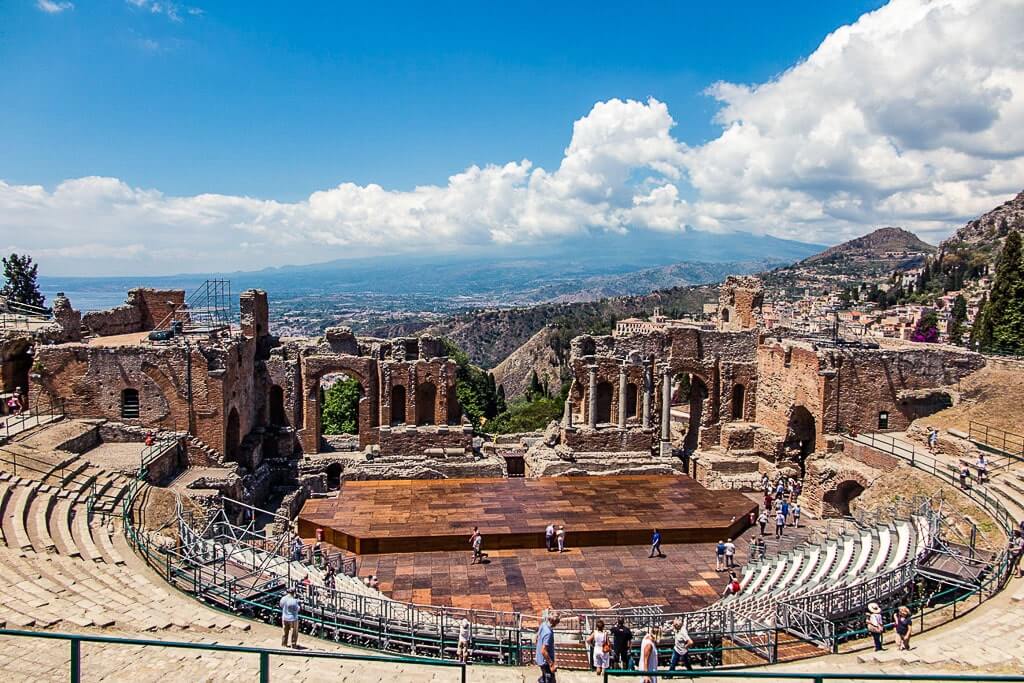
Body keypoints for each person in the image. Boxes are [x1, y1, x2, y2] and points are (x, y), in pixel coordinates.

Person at [535, 612, 559, 682]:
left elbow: (536, 638)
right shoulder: (549, 633)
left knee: (545, 677)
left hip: (540, 659)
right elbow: (544, 650)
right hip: (546, 662)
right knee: (550, 679)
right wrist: (551, 664)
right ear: (555, 623)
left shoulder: (543, 625)